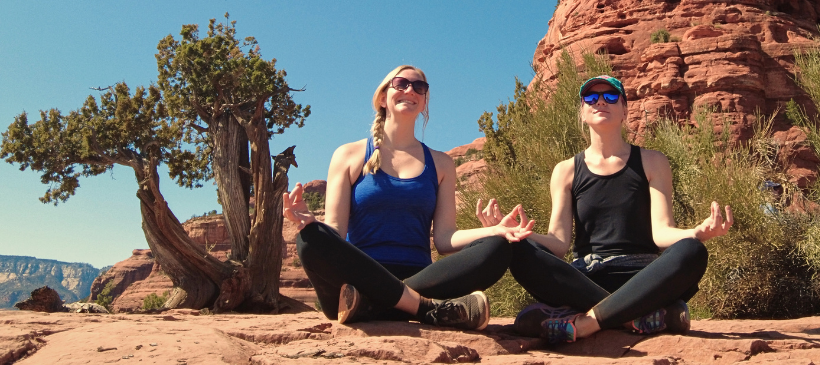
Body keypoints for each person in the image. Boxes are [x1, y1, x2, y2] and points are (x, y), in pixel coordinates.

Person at [479, 74, 732, 343]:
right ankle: (632, 316)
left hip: (642, 278)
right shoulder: (565, 171)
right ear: (583, 112)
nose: (601, 102)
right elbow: (558, 242)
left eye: (611, 97)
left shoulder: (652, 161)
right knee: (516, 251)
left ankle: (586, 322)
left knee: (692, 251)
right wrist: (516, 234)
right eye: (591, 97)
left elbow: (661, 233)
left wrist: (697, 232)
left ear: (624, 110)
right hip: (585, 279)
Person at [283, 65, 534, 330]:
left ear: (424, 101)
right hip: (359, 275)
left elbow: (445, 240)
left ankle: (374, 305)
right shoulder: (348, 155)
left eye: (419, 87)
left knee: (498, 248)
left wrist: (494, 231)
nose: (410, 90)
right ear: (383, 98)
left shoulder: (441, 164)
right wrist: (311, 223)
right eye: (401, 83)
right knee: (310, 238)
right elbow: (335, 231)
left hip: (421, 277)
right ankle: (424, 308)